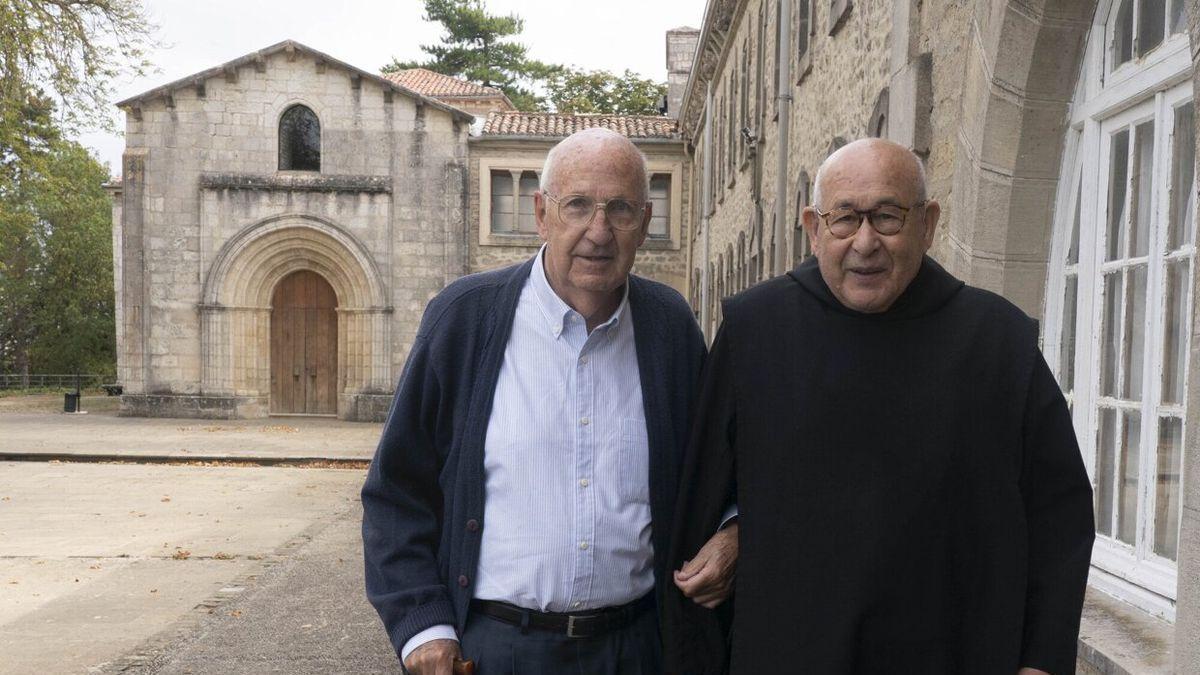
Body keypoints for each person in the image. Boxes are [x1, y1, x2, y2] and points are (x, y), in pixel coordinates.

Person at [664, 138, 1095, 675]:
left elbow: (1060, 514)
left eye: (887, 217)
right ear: (813, 227)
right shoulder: (755, 332)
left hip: (952, 648)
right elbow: (706, 493)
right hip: (792, 648)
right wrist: (738, 526)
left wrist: (1043, 660)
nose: (865, 242)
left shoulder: (997, 343)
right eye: (845, 218)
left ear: (928, 223)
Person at [362, 128, 738, 675]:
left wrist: (733, 530)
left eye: (621, 210)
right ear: (541, 214)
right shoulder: (464, 320)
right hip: (497, 650)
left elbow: (717, 468)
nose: (598, 231)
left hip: (637, 649)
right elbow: (396, 491)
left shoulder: (670, 328)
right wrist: (423, 625)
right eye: (578, 206)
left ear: (647, 223)